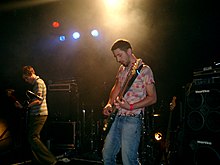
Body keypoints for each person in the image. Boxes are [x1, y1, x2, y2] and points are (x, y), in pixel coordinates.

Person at [102, 39, 157, 165]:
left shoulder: (144, 70)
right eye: (115, 56)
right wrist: (109, 103)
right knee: (107, 155)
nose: (117, 59)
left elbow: (153, 98)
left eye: (119, 55)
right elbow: (116, 87)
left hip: (132, 119)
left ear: (129, 51)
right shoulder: (121, 69)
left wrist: (131, 106)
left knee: (129, 160)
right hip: (116, 116)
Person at [15, 66, 58, 165]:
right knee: (34, 138)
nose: (26, 81)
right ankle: (39, 160)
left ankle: (50, 160)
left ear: (30, 74)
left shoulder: (38, 83)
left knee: (32, 137)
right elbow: (35, 99)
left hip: (39, 114)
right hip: (37, 113)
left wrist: (24, 106)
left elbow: (38, 100)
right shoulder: (37, 83)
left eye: (26, 78)